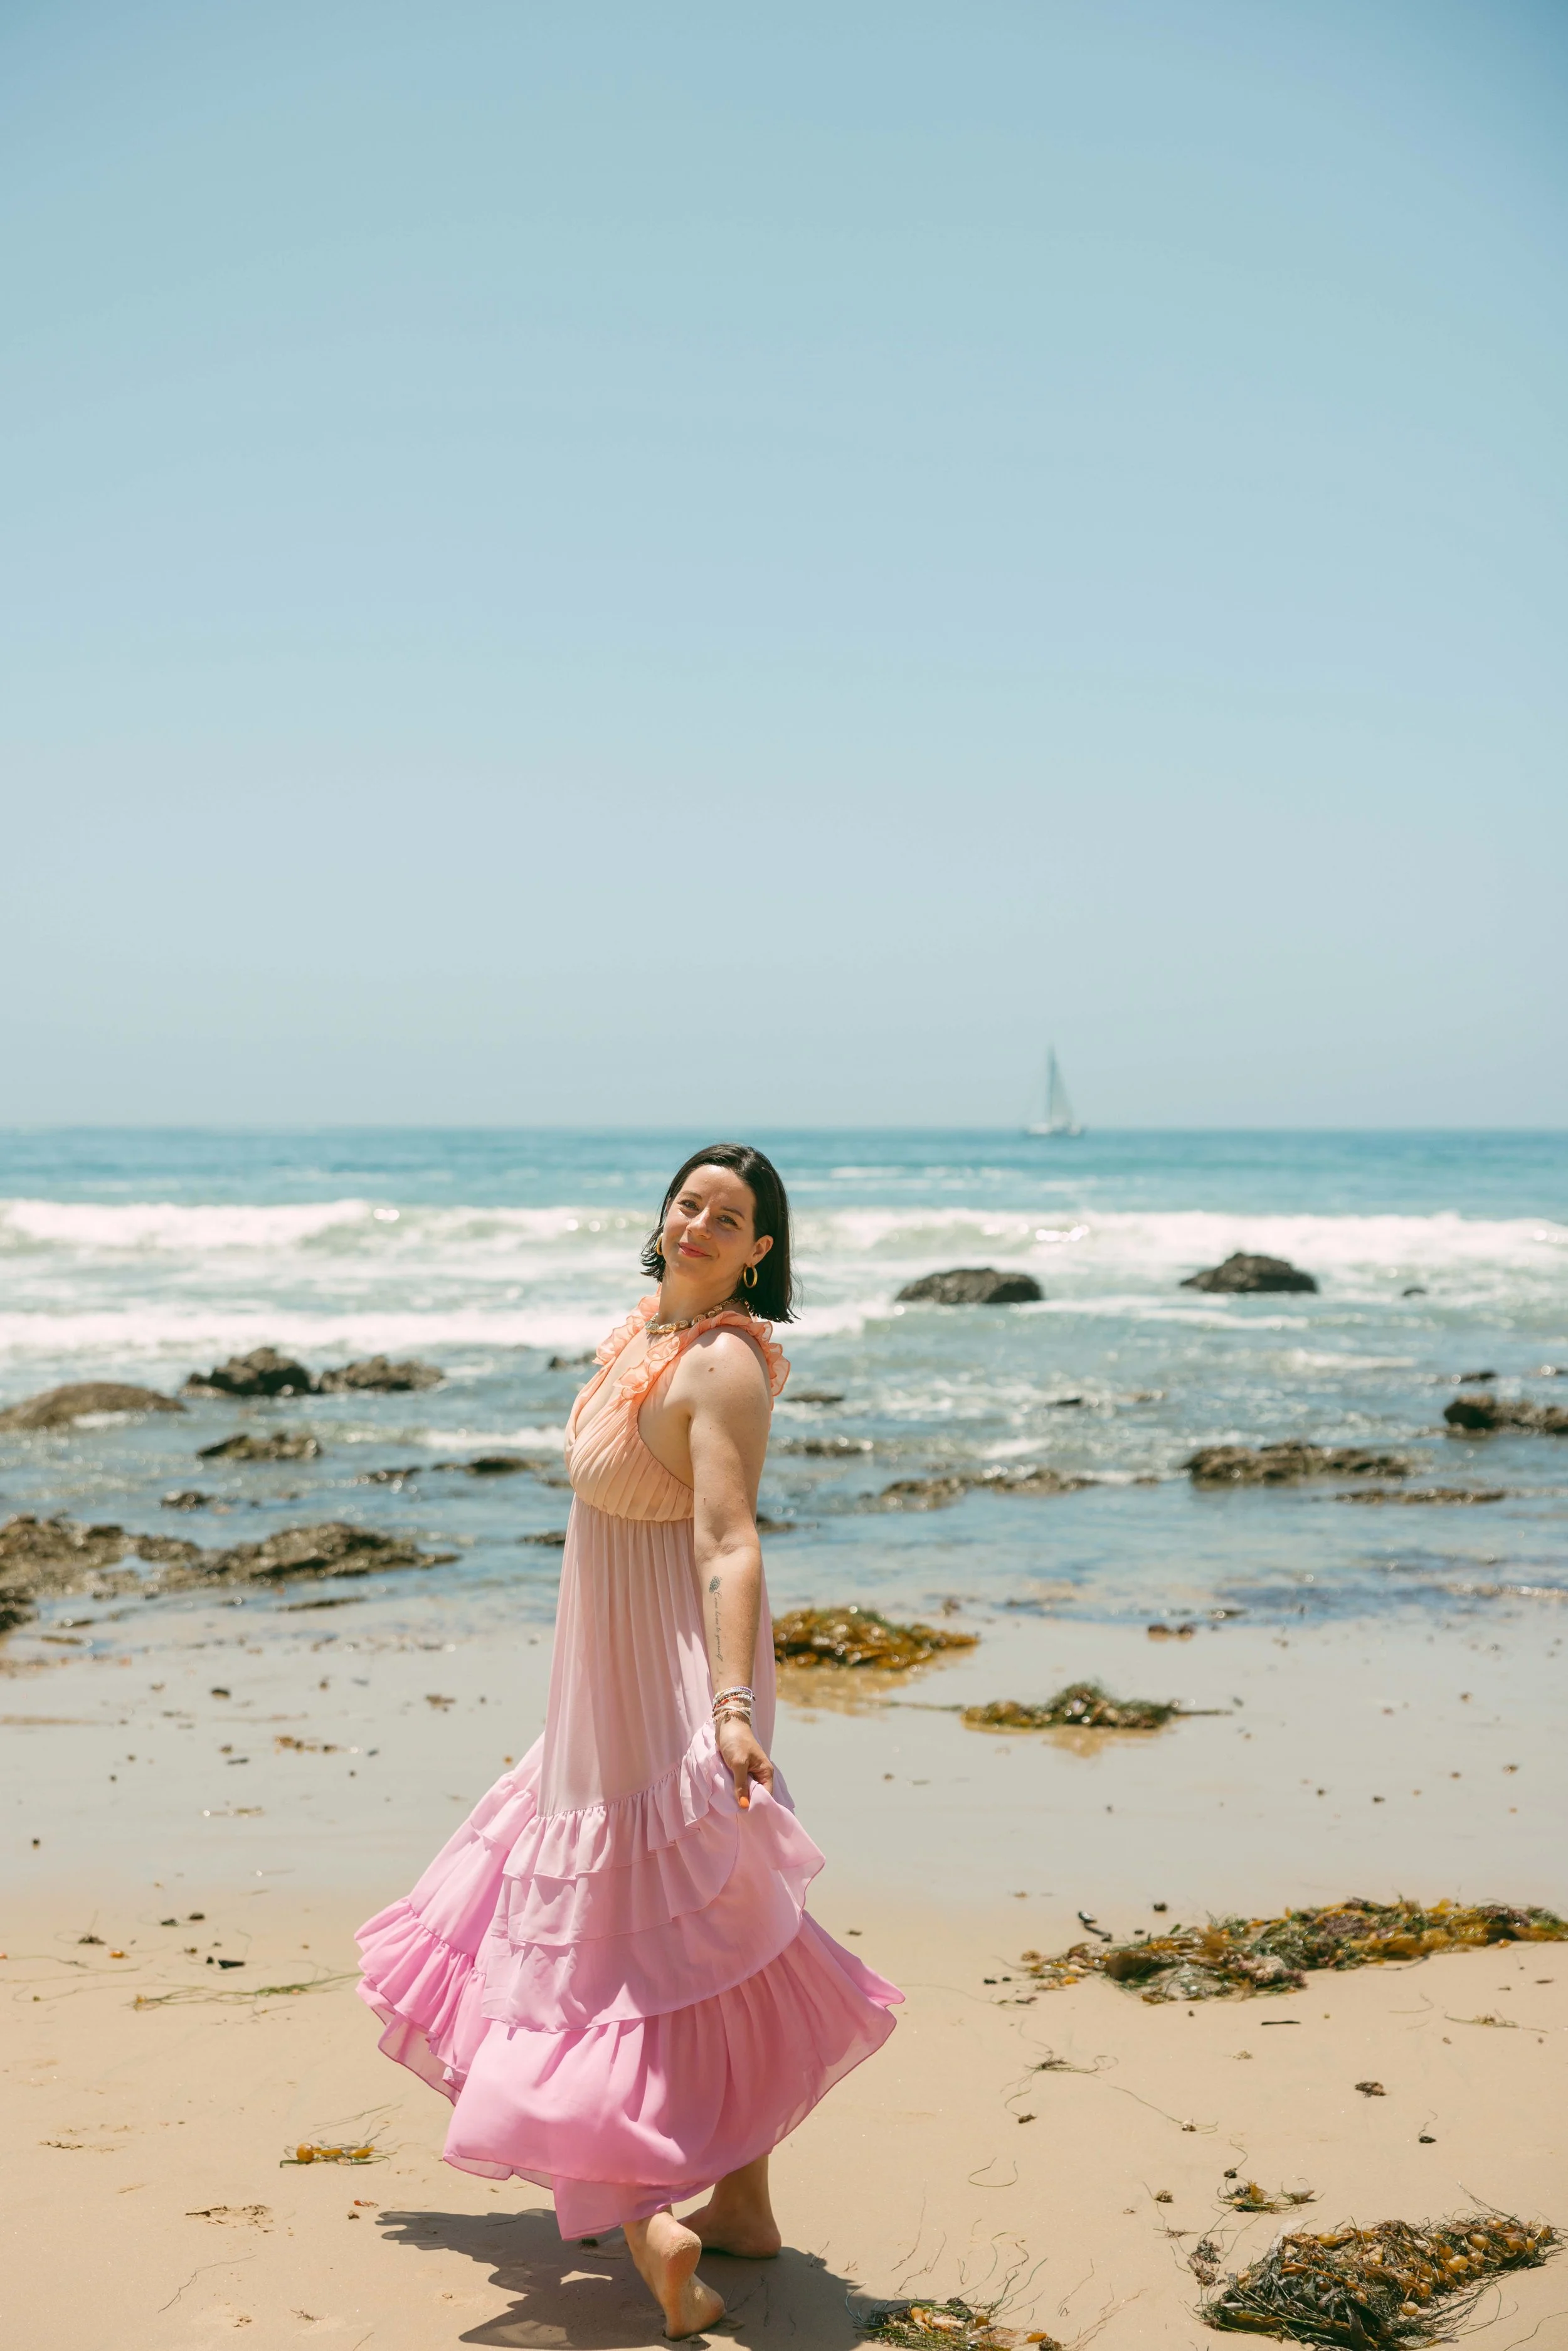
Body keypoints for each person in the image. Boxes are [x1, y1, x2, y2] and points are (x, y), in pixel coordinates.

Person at [356, 1142, 901, 2337]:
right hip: (606, 1672)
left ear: (763, 1251)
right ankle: (745, 2205)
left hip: (672, 1678)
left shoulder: (720, 1367)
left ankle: (647, 2217)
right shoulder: (646, 1333)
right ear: (663, 1220)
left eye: (732, 1217)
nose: (701, 1224)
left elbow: (728, 1541)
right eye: (689, 1203)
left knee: (624, 1939)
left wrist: (732, 1711)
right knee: (699, 1933)